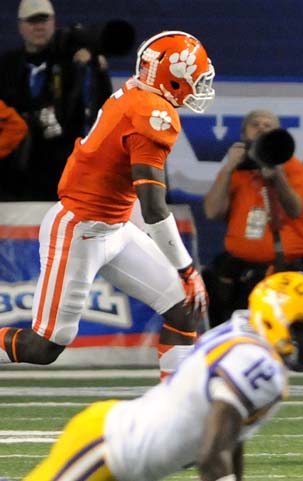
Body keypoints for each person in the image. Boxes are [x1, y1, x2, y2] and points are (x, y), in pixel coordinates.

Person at [0, 31, 214, 379]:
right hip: (80, 229)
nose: (199, 87)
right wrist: (187, 270)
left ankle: (177, 405)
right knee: (44, 347)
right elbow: (154, 209)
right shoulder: (152, 115)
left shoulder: (138, 92)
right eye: (195, 79)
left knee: (184, 309)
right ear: (172, 80)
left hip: (113, 227)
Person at [22, 271, 303, 481]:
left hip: (121, 450)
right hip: (110, 448)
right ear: (275, 320)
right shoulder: (257, 362)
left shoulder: (245, 336)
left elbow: (232, 437)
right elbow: (212, 457)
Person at [203, 109, 303, 327]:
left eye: (268, 125)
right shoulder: (236, 170)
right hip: (242, 270)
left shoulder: (293, 167)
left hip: (286, 266)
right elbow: (212, 212)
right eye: (255, 124)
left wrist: (278, 177)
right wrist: (229, 169)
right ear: (243, 134)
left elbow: (296, 210)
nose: (261, 128)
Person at [0, 0, 113, 201]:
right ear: (20, 25)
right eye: (32, 21)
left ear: (53, 22)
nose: (39, 27)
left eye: (44, 20)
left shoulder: (75, 63)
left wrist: (94, 60)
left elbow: (100, 108)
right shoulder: (6, 67)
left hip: (63, 170)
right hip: (15, 174)